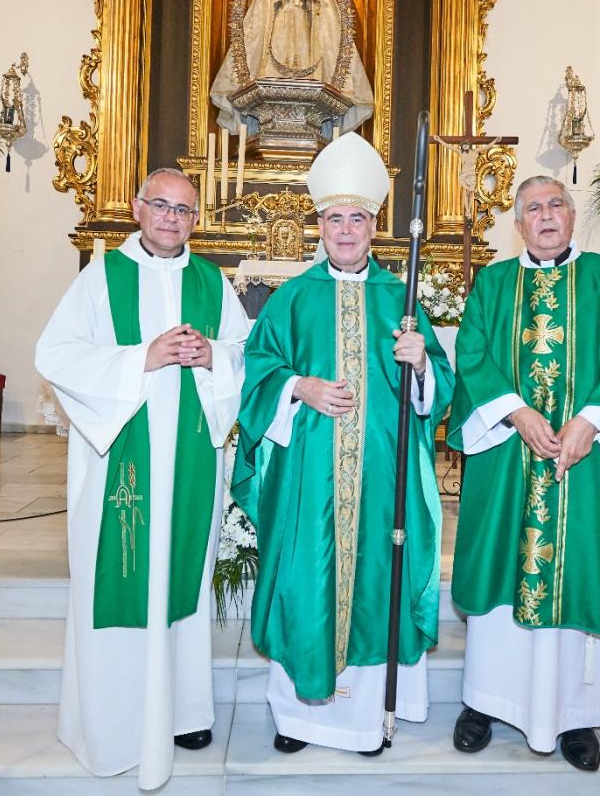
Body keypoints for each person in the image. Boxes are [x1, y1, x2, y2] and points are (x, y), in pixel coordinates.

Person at [233, 132, 453, 756]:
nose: (347, 229)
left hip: (383, 481)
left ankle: (368, 720)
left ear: (375, 225)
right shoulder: (294, 298)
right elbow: (258, 370)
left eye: (358, 218)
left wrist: (421, 364)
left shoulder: (401, 299)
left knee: (377, 582)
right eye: (335, 218)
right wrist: (298, 385)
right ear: (320, 225)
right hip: (310, 480)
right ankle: (300, 718)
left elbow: (437, 391)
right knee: (308, 580)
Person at [35, 167, 249, 790]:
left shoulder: (211, 281)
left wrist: (215, 357)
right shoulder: (102, 278)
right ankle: (114, 720)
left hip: (190, 463)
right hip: (120, 465)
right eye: (161, 205)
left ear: (195, 218)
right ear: (137, 208)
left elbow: (245, 352)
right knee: (123, 580)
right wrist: (142, 358)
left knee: (183, 578)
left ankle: (183, 709)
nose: (171, 219)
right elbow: (55, 354)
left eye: (184, 210)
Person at [447, 176, 600, 772]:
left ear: (572, 215)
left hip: (583, 464)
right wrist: (514, 411)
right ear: (518, 224)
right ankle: (485, 701)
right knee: (499, 571)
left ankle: (575, 713)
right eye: (532, 208)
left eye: (555, 205)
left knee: (581, 568)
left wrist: (590, 421)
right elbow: (473, 353)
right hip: (509, 461)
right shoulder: (491, 282)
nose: (545, 216)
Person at [208, 0, 374, 137]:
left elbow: (319, 11)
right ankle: (276, 74)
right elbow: (270, 4)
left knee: (302, 43)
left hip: (303, 24)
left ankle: (305, 73)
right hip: (284, 21)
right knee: (282, 45)